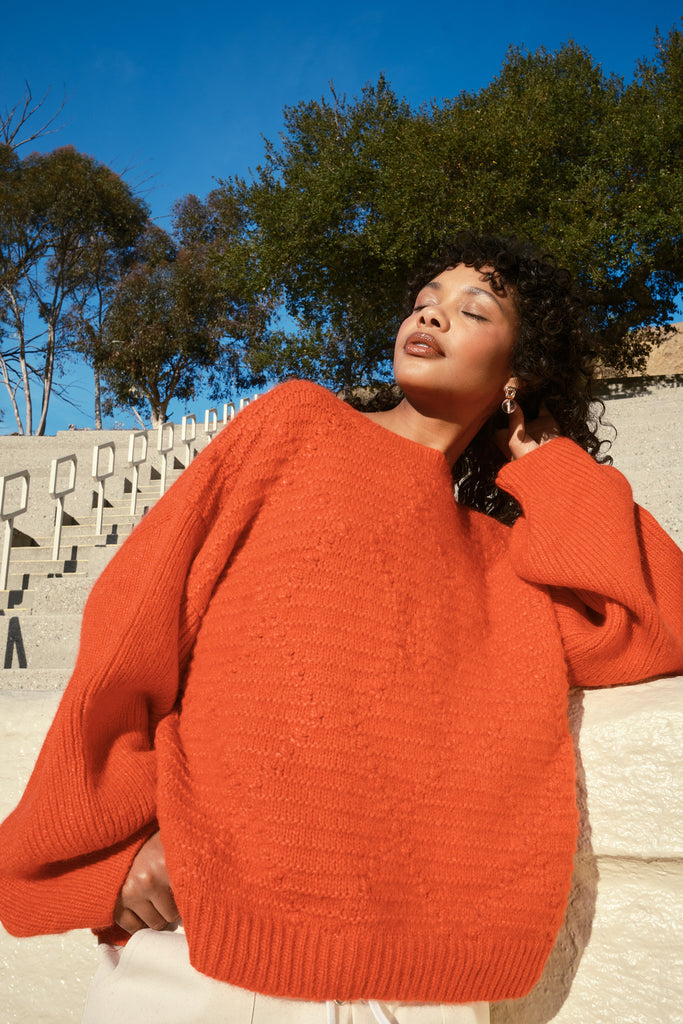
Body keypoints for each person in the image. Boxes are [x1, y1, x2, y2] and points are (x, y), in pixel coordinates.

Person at [1, 233, 682, 1024]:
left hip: (422, 992)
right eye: (424, 300)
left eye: (474, 310)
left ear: (517, 374)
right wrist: (112, 853)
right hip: (205, 961)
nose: (431, 314)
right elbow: (135, 625)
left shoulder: (502, 557)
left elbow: (653, 625)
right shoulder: (297, 426)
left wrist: (548, 459)